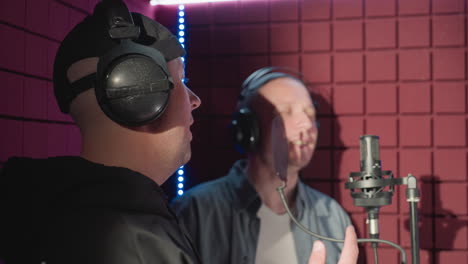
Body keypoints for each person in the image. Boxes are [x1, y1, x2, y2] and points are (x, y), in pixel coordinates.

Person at [0, 1, 202, 263]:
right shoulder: (138, 246)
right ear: (138, 93)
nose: (195, 100)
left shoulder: (40, 217)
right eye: (180, 80)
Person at [172, 67, 355, 264]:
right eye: (286, 112)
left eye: (310, 114)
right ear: (250, 129)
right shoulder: (195, 212)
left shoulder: (331, 216)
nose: (306, 125)